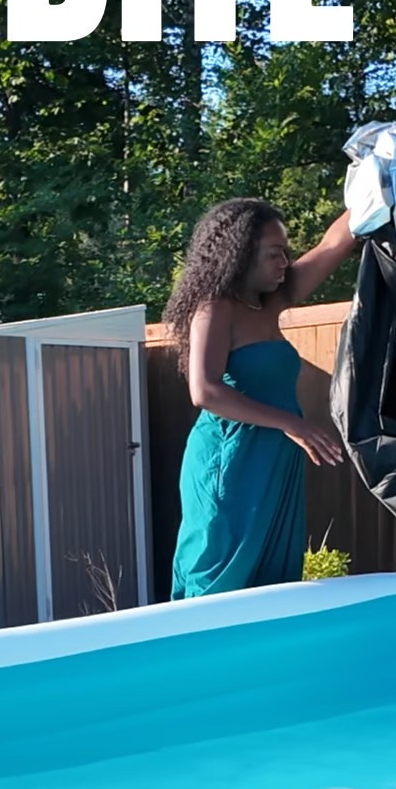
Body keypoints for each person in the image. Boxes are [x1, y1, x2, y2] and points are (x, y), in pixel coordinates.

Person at [163, 196, 356, 600]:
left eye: (285, 253)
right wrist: (292, 423)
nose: (284, 262)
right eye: (274, 254)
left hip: (273, 465)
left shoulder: (271, 301)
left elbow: (331, 246)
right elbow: (204, 389)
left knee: (272, 587)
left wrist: (382, 183)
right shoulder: (214, 308)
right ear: (240, 254)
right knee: (218, 584)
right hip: (230, 466)